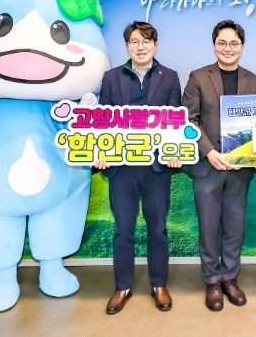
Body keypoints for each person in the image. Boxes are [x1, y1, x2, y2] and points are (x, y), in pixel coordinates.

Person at [97, 22, 182, 315]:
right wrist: (101, 152)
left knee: (158, 229)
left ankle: (159, 284)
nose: (141, 46)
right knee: (123, 230)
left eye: (146, 41)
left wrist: (174, 152)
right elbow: (102, 121)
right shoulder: (111, 77)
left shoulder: (170, 77)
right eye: (135, 41)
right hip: (122, 168)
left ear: (155, 45)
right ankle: (122, 286)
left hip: (156, 168)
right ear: (127, 46)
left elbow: (175, 120)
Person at [182, 20, 256, 311]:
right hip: (208, 167)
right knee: (208, 226)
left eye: (234, 43)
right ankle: (212, 281)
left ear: (242, 46)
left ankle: (229, 278)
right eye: (222, 43)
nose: (228, 48)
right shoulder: (198, 77)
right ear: (214, 45)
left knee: (234, 226)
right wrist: (209, 152)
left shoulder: (254, 81)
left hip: (240, 168)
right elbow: (189, 120)